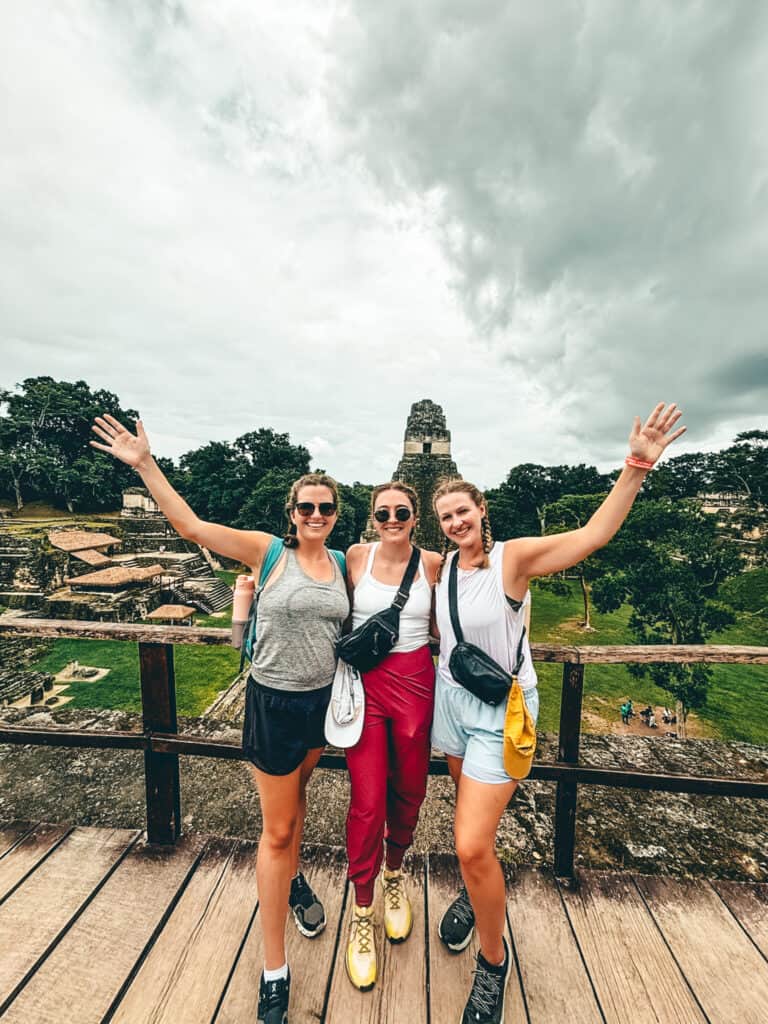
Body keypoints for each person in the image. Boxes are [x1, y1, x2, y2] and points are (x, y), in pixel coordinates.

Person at [430, 402, 685, 1024]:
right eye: (445, 516)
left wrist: (634, 468)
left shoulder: (510, 559)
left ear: (481, 510)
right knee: (473, 831)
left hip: (504, 710)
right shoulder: (438, 570)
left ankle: (494, 963)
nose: (456, 521)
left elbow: (589, 538)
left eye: (463, 510)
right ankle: (476, 894)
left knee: (469, 843)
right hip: (453, 705)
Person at [90, 414, 349, 1024]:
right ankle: (274, 969)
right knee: (277, 829)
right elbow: (191, 525)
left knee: (295, 810)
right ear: (292, 512)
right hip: (273, 704)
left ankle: (293, 878)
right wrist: (146, 464)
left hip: (321, 706)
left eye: (327, 507)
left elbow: (402, 575)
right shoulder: (268, 550)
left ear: (338, 512)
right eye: (307, 506)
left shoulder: (343, 561)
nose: (317, 515)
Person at [343, 482, 441, 991]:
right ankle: (363, 907)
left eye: (401, 511)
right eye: (383, 512)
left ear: (415, 515)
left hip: (415, 682)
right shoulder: (355, 557)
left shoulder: (432, 564)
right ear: (373, 517)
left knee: (409, 792)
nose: (392, 518)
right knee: (367, 801)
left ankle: (395, 875)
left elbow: (453, 623)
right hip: (366, 688)